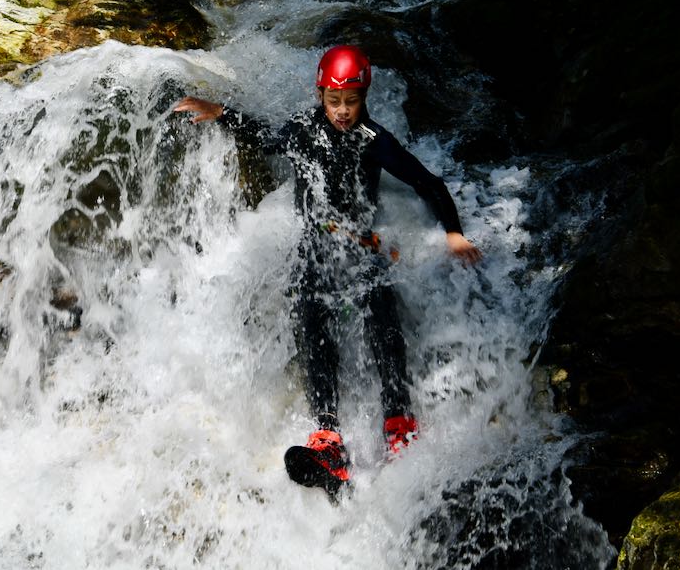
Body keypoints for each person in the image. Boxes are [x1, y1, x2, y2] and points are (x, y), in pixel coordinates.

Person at [173, 44, 481, 496]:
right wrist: (221, 112)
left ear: (364, 98)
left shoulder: (374, 140)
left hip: (360, 241)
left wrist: (453, 232)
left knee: (379, 304)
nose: (341, 112)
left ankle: (398, 419)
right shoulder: (303, 130)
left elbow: (427, 183)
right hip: (318, 240)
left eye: (351, 102)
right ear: (320, 95)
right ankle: (328, 435)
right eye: (333, 101)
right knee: (308, 303)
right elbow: (264, 137)